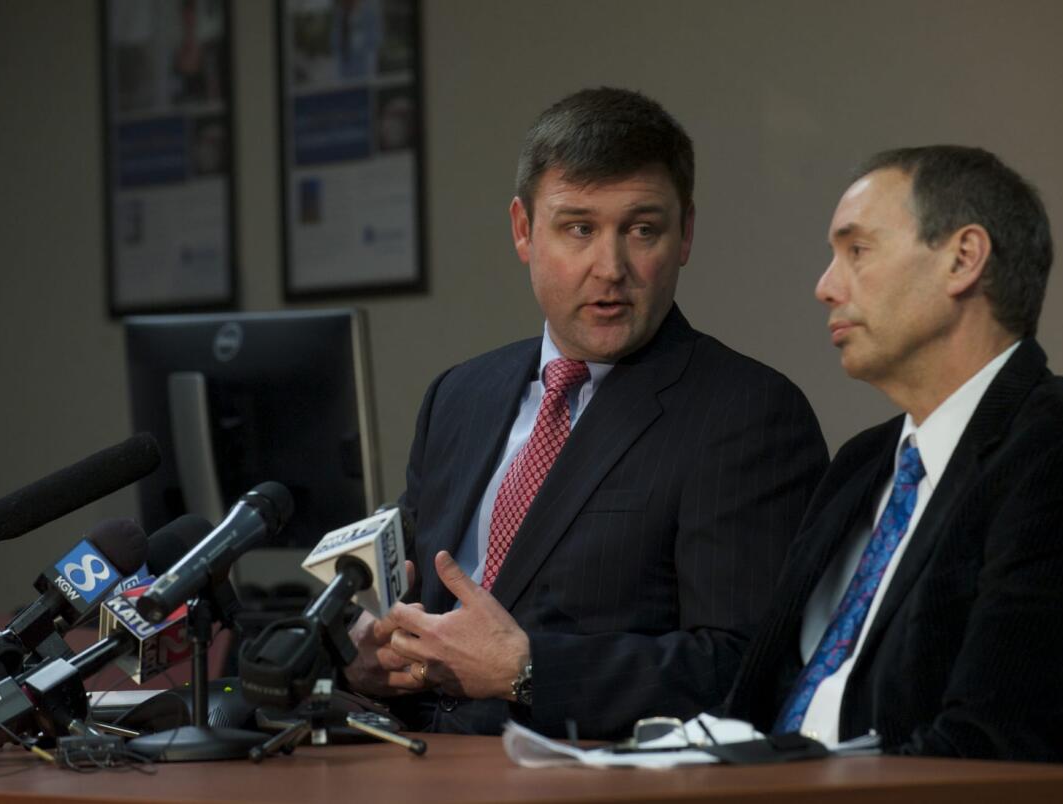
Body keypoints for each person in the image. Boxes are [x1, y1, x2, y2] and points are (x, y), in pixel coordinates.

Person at [343, 87, 829, 739]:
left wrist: (528, 669)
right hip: (417, 760)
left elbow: (747, 669)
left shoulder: (749, 413)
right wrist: (370, 652)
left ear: (684, 235)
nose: (611, 268)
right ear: (523, 230)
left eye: (643, 230)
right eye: (579, 228)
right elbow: (413, 598)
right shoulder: (459, 396)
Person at [726, 145, 1063, 766]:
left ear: (962, 259)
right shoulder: (862, 464)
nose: (825, 287)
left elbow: (995, 752)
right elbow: (749, 710)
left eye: (857, 250)